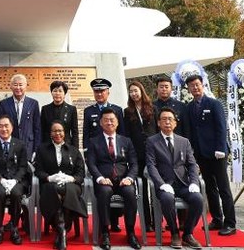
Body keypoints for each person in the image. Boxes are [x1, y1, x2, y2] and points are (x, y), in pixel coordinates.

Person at [183, 74, 237, 236]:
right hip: (201, 154)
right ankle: (217, 219)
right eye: (191, 86)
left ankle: (230, 223)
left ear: (202, 85)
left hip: (217, 153)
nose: (195, 88)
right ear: (189, 89)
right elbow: (190, 131)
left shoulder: (214, 104)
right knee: (210, 188)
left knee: (223, 188)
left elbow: (221, 127)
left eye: (197, 84)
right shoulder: (189, 108)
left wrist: (220, 148)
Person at [145, 107, 203, 249]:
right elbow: (151, 166)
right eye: (164, 119)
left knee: (198, 199)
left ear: (175, 123)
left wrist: (194, 182)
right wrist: (161, 184)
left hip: (183, 184)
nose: (167, 122)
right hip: (164, 184)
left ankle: (187, 234)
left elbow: (192, 164)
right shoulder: (152, 141)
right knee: (167, 198)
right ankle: (174, 232)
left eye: (170, 119)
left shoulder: (184, 141)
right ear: (158, 123)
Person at [86, 108, 141, 250]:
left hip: (123, 180)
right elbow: (91, 163)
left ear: (117, 122)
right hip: (104, 181)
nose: (109, 122)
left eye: (112, 120)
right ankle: (105, 232)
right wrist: (100, 178)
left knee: (130, 192)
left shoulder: (126, 141)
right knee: (104, 192)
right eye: (106, 120)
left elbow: (134, 163)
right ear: (100, 123)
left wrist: (130, 178)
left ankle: (130, 232)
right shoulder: (93, 141)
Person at [34, 120, 87, 250]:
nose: (57, 133)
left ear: (65, 132)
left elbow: (81, 173)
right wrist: (49, 177)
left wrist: (71, 178)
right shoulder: (42, 149)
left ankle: (60, 230)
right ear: (50, 133)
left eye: (60, 131)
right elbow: (38, 170)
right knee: (54, 190)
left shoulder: (74, 150)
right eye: (54, 131)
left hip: (71, 184)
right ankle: (63, 230)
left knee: (67, 190)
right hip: (50, 184)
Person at [0, 115, 28, 245]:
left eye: (6, 126)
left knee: (16, 194)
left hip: (16, 181)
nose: (4, 129)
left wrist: (15, 180)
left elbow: (23, 167)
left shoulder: (20, 145)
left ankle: (14, 227)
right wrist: (1, 180)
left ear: (12, 127)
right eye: (0, 126)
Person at [123, 80, 156, 232]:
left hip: (153, 152)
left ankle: (157, 220)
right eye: (131, 92)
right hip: (137, 154)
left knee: (155, 187)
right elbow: (127, 134)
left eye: (136, 90)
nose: (134, 94)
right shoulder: (127, 111)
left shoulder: (152, 108)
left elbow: (157, 129)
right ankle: (146, 222)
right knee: (142, 189)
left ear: (141, 91)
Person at [0, 73, 41, 159]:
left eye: (20, 85)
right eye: (15, 85)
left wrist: (36, 149)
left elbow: (37, 128)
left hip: (28, 145)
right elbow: (0, 126)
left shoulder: (33, 103)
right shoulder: (4, 104)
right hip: (10, 145)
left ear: (26, 86)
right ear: (11, 86)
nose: (18, 88)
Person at [82, 78, 125, 150]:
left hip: (113, 147)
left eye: (102, 91)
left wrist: (122, 148)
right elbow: (86, 133)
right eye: (96, 91)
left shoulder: (117, 110)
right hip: (96, 149)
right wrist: (86, 150)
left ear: (108, 93)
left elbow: (121, 131)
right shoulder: (88, 111)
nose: (99, 94)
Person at [40, 80, 79, 148]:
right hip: (49, 146)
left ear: (64, 93)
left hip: (66, 146)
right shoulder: (45, 109)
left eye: (60, 91)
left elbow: (74, 132)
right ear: (51, 93)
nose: (57, 93)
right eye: (55, 91)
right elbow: (42, 130)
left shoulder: (71, 109)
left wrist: (75, 149)